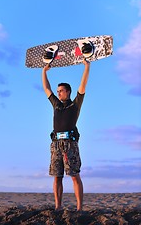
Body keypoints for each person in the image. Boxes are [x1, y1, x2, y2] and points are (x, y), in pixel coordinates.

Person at [42, 59, 91, 211]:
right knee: (57, 176)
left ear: (67, 91)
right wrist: (44, 71)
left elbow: (82, 86)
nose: (58, 93)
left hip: (70, 143)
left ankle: (79, 208)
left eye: (61, 91)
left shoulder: (75, 104)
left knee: (75, 175)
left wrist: (87, 66)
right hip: (56, 144)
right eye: (57, 92)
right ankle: (58, 207)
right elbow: (46, 88)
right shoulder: (56, 104)